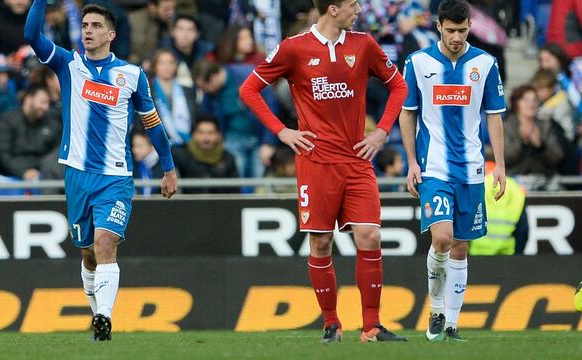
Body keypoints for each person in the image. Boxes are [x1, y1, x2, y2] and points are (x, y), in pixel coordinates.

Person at [240, 0, 408, 343]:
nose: (359, 9)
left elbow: (400, 86)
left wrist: (381, 131)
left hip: (357, 160)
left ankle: (372, 327)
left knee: (370, 236)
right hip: (315, 162)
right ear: (332, 9)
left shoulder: (364, 44)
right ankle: (331, 324)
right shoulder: (293, 48)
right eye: (352, 4)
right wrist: (282, 131)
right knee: (320, 243)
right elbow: (250, 89)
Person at [24, 0, 178, 341]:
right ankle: (98, 317)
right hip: (77, 174)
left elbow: (152, 125)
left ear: (110, 34)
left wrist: (168, 168)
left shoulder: (132, 75)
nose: (88, 31)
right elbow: (32, 34)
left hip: (115, 176)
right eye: (85, 26)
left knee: (105, 242)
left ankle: (105, 317)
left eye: (95, 26)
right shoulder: (69, 63)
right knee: (88, 252)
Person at [399, 0, 506, 342]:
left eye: (463, 30)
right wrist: (412, 162)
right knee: (442, 238)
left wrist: (500, 165)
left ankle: (452, 324)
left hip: (472, 168)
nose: (457, 37)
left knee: (460, 247)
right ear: (439, 26)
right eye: (451, 30)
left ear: (469, 26)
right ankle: (436, 309)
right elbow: (407, 113)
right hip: (434, 166)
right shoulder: (418, 62)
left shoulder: (486, 63)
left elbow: (494, 115)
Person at [0, 84, 61, 181]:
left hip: (44, 175)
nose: (46, 107)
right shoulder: (7, 120)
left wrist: (43, 170)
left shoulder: (52, 123)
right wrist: (23, 172)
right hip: (11, 176)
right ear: (29, 99)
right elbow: (3, 155)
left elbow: (55, 154)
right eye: (42, 102)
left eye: (48, 103)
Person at [504, 85, 564, 178]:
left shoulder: (545, 125)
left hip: (544, 178)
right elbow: (506, 157)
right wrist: (522, 142)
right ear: (516, 103)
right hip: (514, 178)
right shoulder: (507, 126)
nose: (531, 104)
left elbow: (557, 156)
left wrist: (540, 147)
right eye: (526, 100)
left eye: (535, 100)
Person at [171, 114, 239, 194]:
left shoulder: (228, 159)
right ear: (194, 134)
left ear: (218, 135)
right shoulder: (179, 155)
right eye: (201, 132)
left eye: (210, 133)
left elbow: (234, 192)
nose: (206, 138)